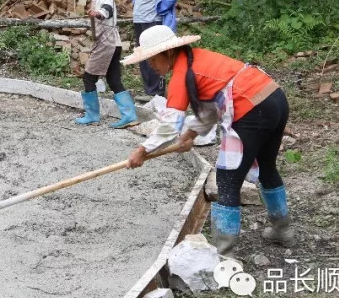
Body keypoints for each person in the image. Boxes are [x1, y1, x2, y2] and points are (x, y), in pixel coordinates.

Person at [124, 26, 293, 255]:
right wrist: (190, 135)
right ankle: (282, 230)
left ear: (168, 53)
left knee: (226, 179)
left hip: (252, 109)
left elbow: (169, 124)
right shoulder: (198, 60)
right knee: (266, 166)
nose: (151, 67)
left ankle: (223, 254)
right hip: (274, 98)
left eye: (152, 60)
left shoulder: (183, 74)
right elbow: (213, 107)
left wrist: (142, 150)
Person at [74, 0, 140, 128]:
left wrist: (99, 13)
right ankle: (129, 116)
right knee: (113, 79)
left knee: (89, 77)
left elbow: (107, 9)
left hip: (106, 42)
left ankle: (92, 115)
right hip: (112, 42)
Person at [130, 0, 181, 96]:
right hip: (139, 22)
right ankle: (148, 91)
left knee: (155, 58)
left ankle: (157, 92)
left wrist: (161, 7)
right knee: (143, 57)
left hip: (153, 22)